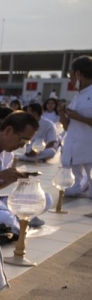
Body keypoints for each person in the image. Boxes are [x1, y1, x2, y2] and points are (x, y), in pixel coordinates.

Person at [59, 55, 92, 197]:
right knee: (69, 191)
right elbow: (68, 127)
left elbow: (78, 119)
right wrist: (62, 114)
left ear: (79, 73)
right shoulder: (78, 96)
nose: (70, 79)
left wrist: (78, 117)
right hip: (73, 150)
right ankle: (83, 185)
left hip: (89, 150)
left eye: (71, 75)